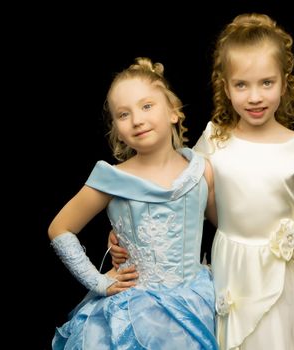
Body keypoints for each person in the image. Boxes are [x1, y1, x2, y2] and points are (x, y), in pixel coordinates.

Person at [110, 13, 294, 350]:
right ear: (226, 87)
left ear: (284, 82)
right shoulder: (214, 141)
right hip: (229, 271)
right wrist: (128, 228)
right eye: (242, 85)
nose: (254, 97)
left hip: (281, 279)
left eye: (266, 83)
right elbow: (176, 189)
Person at [48, 57, 219, 350]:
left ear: (174, 112)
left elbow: (225, 229)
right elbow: (60, 228)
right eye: (123, 114)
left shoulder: (201, 170)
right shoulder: (111, 178)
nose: (137, 120)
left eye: (147, 106)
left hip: (197, 300)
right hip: (136, 310)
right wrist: (99, 281)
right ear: (116, 128)